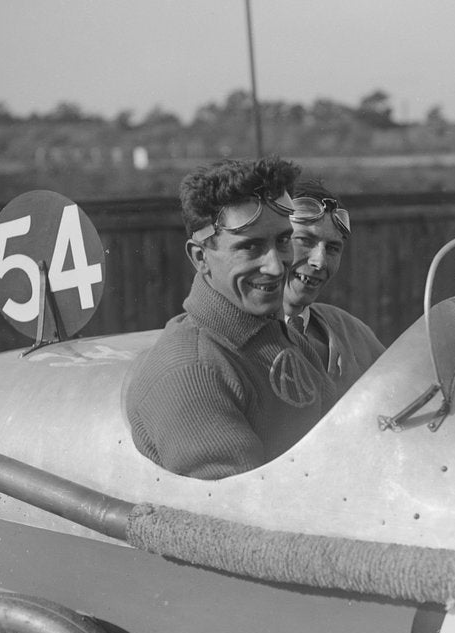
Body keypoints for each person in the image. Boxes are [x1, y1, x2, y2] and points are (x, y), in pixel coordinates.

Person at [126, 157, 335, 480]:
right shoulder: (193, 371)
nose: (277, 267)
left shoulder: (279, 334)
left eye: (282, 241)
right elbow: (239, 517)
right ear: (200, 257)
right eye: (250, 247)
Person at [283, 179, 385, 397]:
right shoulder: (238, 335)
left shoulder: (352, 333)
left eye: (332, 248)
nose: (319, 262)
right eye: (304, 241)